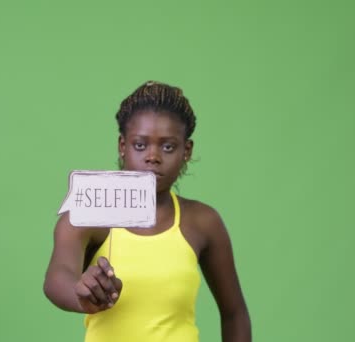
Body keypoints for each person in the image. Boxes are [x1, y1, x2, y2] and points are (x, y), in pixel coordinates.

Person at [43, 81, 251, 341]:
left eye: (167, 147)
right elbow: (57, 277)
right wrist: (81, 293)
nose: (153, 156)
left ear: (186, 151)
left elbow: (234, 313)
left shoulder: (202, 222)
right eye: (140, 145)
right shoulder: (90, 213)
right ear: (122, 146)